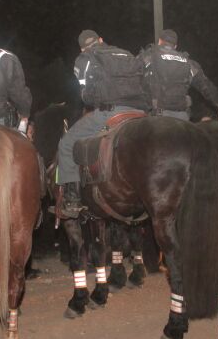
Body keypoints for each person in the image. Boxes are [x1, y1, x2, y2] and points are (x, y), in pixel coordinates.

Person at [56, 29, 149, 217]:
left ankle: (72, 198)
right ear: (101, 40)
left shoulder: (84, 59)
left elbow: (86, 96)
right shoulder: (125, 53)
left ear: (82, 49)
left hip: (110, 112)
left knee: (66, 144)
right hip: (140, 112)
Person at [137, 29, 218, 120]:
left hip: (157, 116)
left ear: (159, 41)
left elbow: (131, 76)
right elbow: (207, 87)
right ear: (175, 46)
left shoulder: (148, 57)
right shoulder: (188, 63)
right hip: (182, 116)